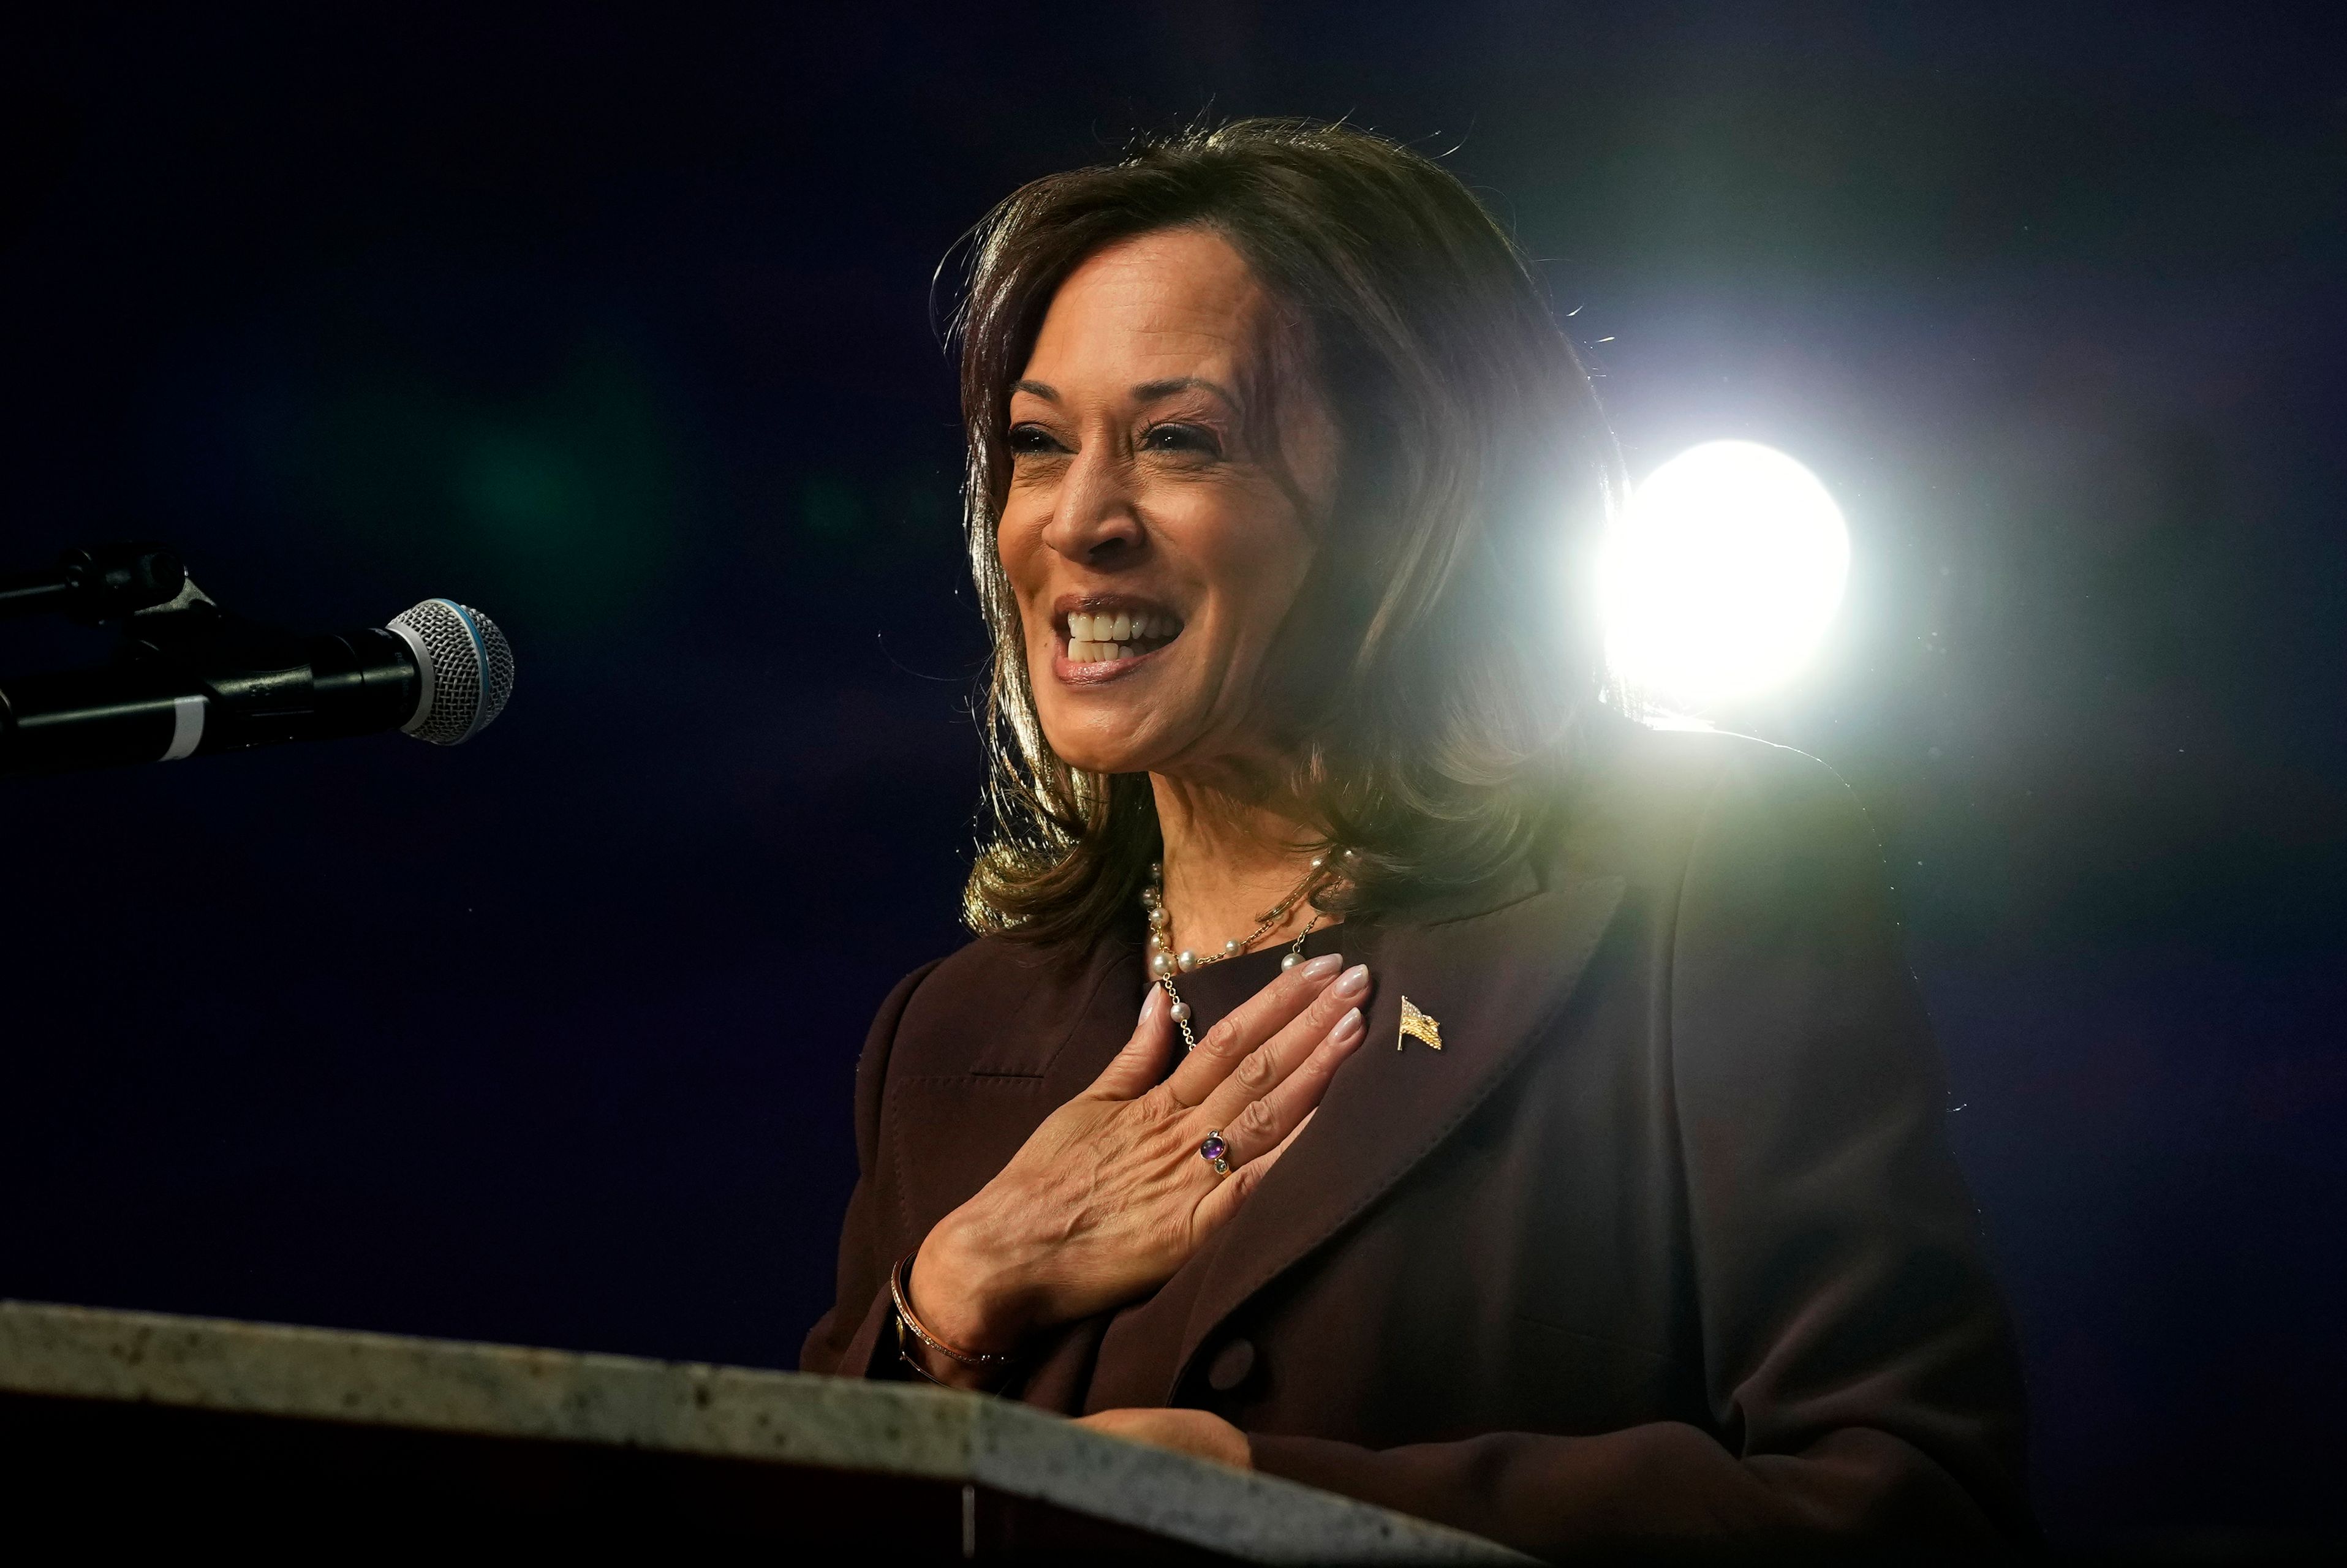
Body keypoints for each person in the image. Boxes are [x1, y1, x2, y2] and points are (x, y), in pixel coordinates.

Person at [801, 119, 2032, 1558]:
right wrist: (943, 1307)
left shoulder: (1693, 880)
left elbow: (1908, 1502)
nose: (1078, 521)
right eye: (1036, 444)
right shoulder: (952, 1033)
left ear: (1411, 495)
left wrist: (1283, 1515)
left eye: (1177, 440)